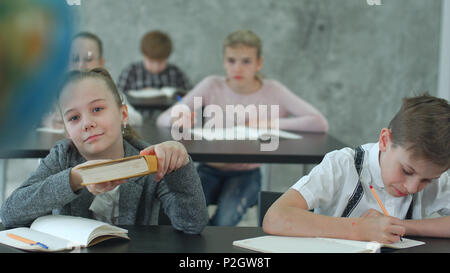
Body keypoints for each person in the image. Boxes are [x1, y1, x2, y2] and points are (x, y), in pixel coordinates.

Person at [0, 68, 208, 234]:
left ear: (123, 114)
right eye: (74, 118)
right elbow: (9, 214)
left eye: (97, 109)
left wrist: (180, 163)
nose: (87, 123)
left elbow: (193, 224)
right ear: (67, 131)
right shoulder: (63, 156)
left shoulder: (148, 160)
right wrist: (75, 179)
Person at [156, 30, 328, 226]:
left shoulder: (273, 90)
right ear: (223, 62)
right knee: (180, 214)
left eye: (246, 61)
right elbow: (163, 119)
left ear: (258, 63)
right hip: (207, 169)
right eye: (231, 60)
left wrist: (266, 124)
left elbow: (318, 122)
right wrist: (180, 117)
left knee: (224, 222)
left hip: (246, 174)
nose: (237, 68)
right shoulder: (212, 85)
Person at [263, 94, 450, 243]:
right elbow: (276, 217)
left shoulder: (434, 175)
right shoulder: (342, 165)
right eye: (407, 171)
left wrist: (401, 226)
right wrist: (358, 228)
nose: (412, 187)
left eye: (427, 180)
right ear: (385, 140)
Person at [42, 31, 142, 129]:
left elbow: (136, 118)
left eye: (88, 59)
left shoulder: (107, 88)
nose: (81, 65)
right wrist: (46, 120)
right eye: (75, 59)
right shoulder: (54, 89)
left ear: (101, 62)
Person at [117, 30, 192, 94]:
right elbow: (118, 98)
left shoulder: (176, 73)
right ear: (144, 55)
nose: (156, 67)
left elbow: (191, 96)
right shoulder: (131, 72)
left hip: (170, 110)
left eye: (160, 62)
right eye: (151, 61)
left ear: (167, 57)